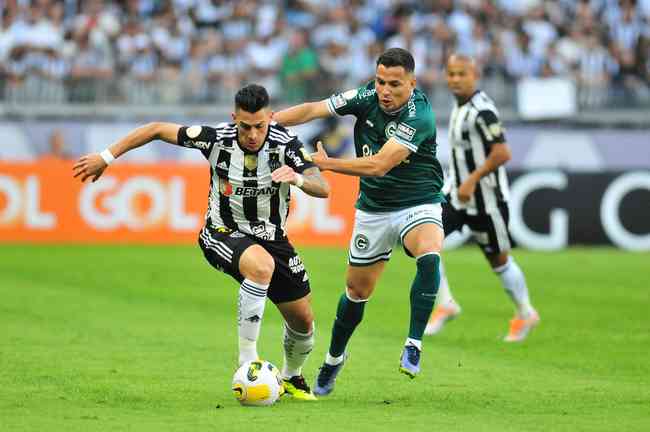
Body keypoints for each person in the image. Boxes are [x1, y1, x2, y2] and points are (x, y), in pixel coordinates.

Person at [72, 84, 330, 400]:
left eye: (259, 126)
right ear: (233, 118)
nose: (252, 134)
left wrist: (299, 179)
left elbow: (323, 187)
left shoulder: (286, 144)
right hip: (221, 233)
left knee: (303, 322)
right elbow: (155, 129)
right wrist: (106, 156)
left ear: (270, 119)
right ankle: (248, 361)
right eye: (244, 126)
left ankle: (291, 377)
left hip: (274, 238)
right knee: (260, 267)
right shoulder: (214, 138)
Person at [275, 48, 445, 394]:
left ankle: (414, 343)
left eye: (395, 84)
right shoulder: (366, 95)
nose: (385, 90)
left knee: (429, 254)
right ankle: (334, 359)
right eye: (381, 81)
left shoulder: (419, 116)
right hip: (374, 209)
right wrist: (270, 121)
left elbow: (379, 165)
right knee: (356, 292)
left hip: (419, 203)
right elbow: (313, 109)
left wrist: (327, 163)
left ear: (412, 83)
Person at [424, 54, 540, 342]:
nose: (455, 79)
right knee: (424, 240)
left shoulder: (482, 110)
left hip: (486, 201)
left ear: (475, 74)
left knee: (499, 261)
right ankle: (446, 304)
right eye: (450, 74)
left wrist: (472, 180)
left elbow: (502, 152)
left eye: (461, 74)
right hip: (457, 196)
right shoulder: (459, 106)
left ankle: (525, 313)